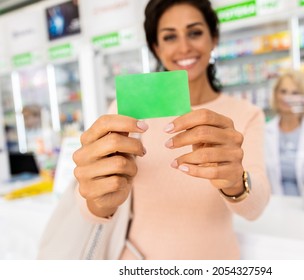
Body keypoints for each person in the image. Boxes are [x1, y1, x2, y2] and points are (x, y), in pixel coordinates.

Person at [38, 0, 270, 260]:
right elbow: (90, 209)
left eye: (194, 32)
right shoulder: (129, 110)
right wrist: (96, 194)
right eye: (169, 37)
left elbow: (255, 207)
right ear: (156, 48)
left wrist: (236, 181)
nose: (184, 46)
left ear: (213, 38)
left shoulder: (246, 114)